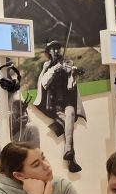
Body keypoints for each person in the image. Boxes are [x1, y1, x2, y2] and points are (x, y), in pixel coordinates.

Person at [34, 39, 86, 173]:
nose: (57, 51)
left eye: (58, 48)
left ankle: (68, 150)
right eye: (53, 49)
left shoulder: (67, 64)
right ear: (49, 52)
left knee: (71, 112)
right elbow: (44, 83)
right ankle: (71, 158)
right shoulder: (47, 66)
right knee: (67, 124)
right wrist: (55, 69)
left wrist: (73, 76)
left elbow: (70, 88)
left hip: (66, 101)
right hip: (54, 104)